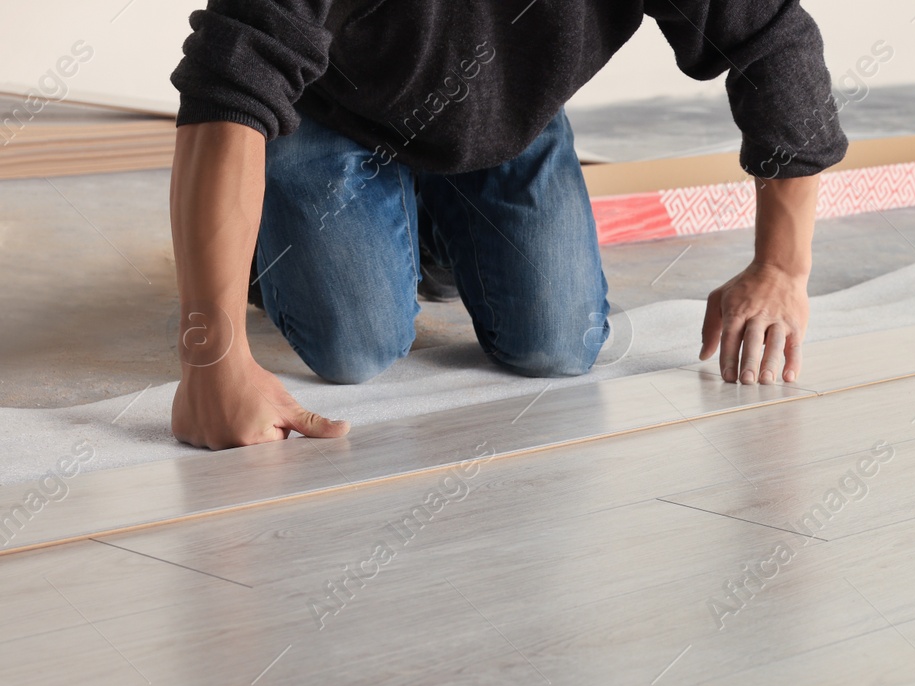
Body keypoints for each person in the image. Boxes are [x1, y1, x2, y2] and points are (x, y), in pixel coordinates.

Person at [167, 0, 847, 449]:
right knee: (357, 347)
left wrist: (782, 267)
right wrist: (214, 357)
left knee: (557, 346)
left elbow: (772, 43)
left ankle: (431, 232)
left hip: (505, 114)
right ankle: (264, 244)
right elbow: (231, 79)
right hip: (333, 110)